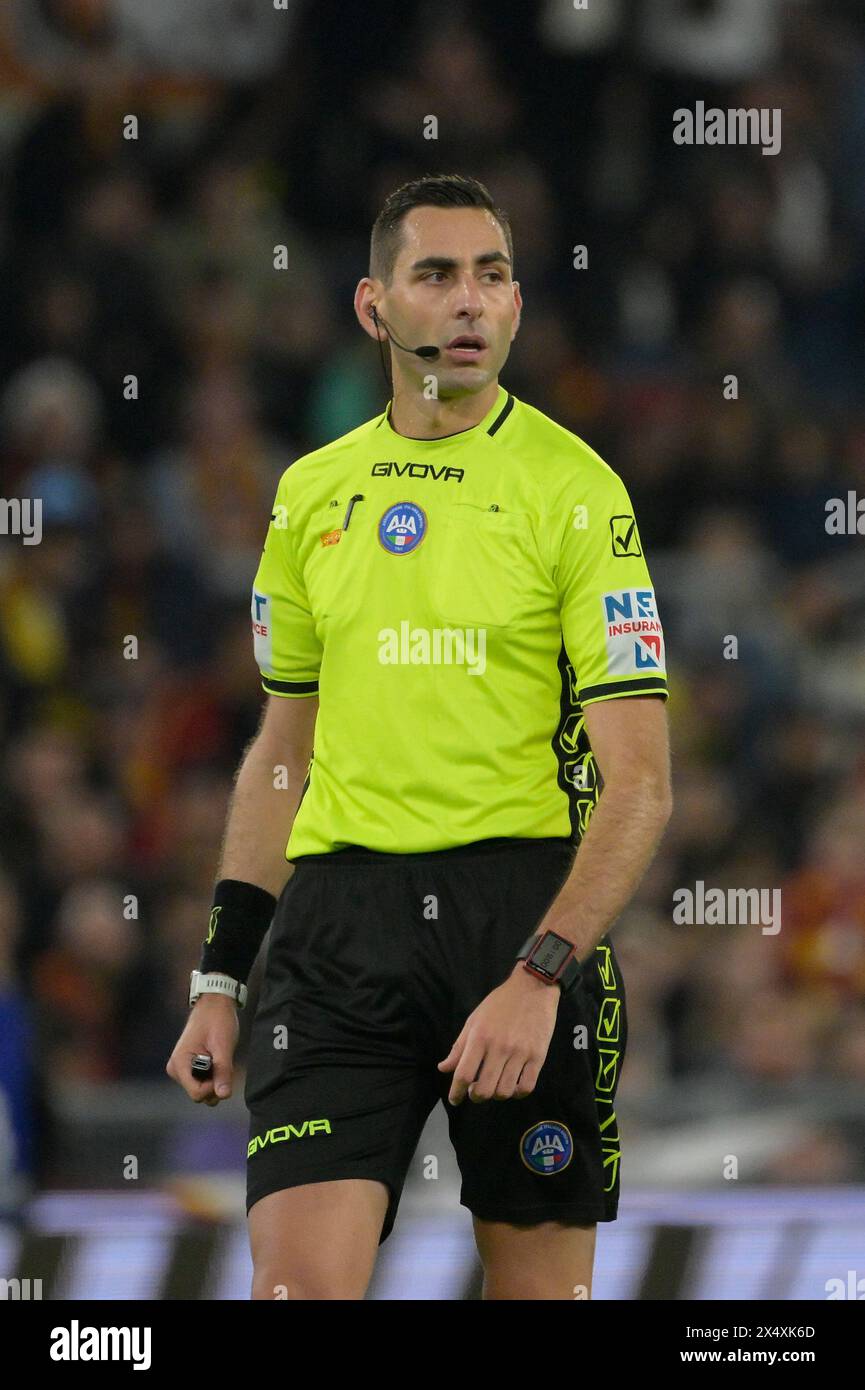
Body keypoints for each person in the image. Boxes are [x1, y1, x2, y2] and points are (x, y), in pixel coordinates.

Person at [166, 173, 672, 1300]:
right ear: (372, 307)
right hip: (340, 927)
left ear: (517, 304)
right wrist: (220, 973)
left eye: (491, 275)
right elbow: (279, 753)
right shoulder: (309, 496)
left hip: (523, 912)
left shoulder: (577, 493)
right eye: (436, 274)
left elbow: (639, 785)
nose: (468, 301)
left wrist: (542, 974)